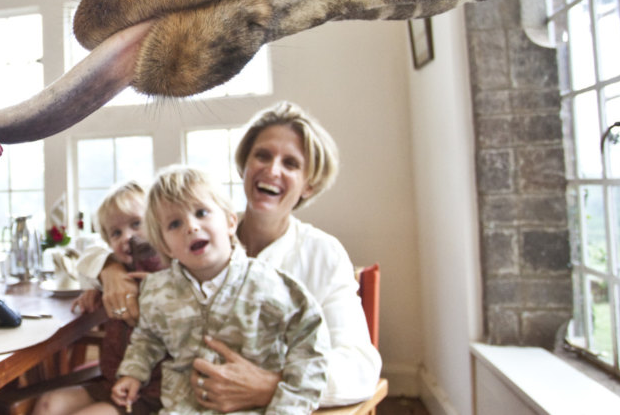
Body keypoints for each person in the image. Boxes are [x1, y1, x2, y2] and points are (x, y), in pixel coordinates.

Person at [97, 101, 381, 410]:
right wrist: (109, 268)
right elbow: (122, 233)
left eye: (291, 164)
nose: (272, 170)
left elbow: (360, 367)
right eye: (262, 155)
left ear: (308, 185)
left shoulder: (322, 255)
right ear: (244, 165)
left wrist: (272, 385)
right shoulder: (201, 229)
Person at [111, 166, 326, 414]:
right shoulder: (157, 290)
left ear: (230, 222)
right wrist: (133, 373)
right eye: (175, 224)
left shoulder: (269, 285)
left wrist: (289, 404)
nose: (191, 227)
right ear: (166, 247)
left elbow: (310, 337)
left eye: (201, 213)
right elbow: (148, 337)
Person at [34, 181, 166, 415]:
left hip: (152, 393)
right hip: (111, 380)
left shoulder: (169, 275)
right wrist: (97, 287)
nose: (127, 236)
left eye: (136, 224)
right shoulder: (115, 274)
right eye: (116, 232)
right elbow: (89, 260)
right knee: (48, 404)